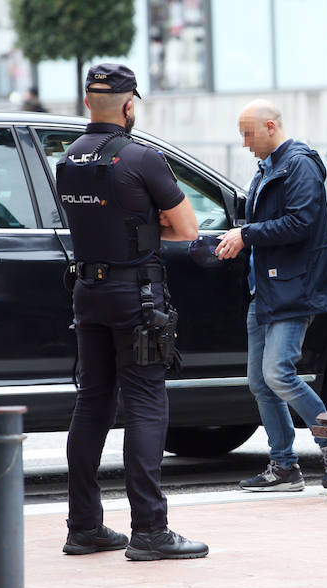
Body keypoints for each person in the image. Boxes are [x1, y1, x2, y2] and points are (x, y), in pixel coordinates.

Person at [58, 63, 207, 560]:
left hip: (87, 292)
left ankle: (84, 527)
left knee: (92, 404)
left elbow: (91, 225)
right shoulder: (141, 158)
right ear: (128, 106)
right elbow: (186, 228)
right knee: (145, 404)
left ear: (86, 104)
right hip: (135, 297)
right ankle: (149, 529)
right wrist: (145, 226)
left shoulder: (69, 159)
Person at [217, 100, 327, 492]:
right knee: (260, 381)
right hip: (268, 288)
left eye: (248, 134)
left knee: (278, 373)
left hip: (292, 286)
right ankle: (284, 467)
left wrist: (247, 234)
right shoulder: (271, 165)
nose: (244, 143)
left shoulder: (299, 163)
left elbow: (302, 221)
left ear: (270, 126)